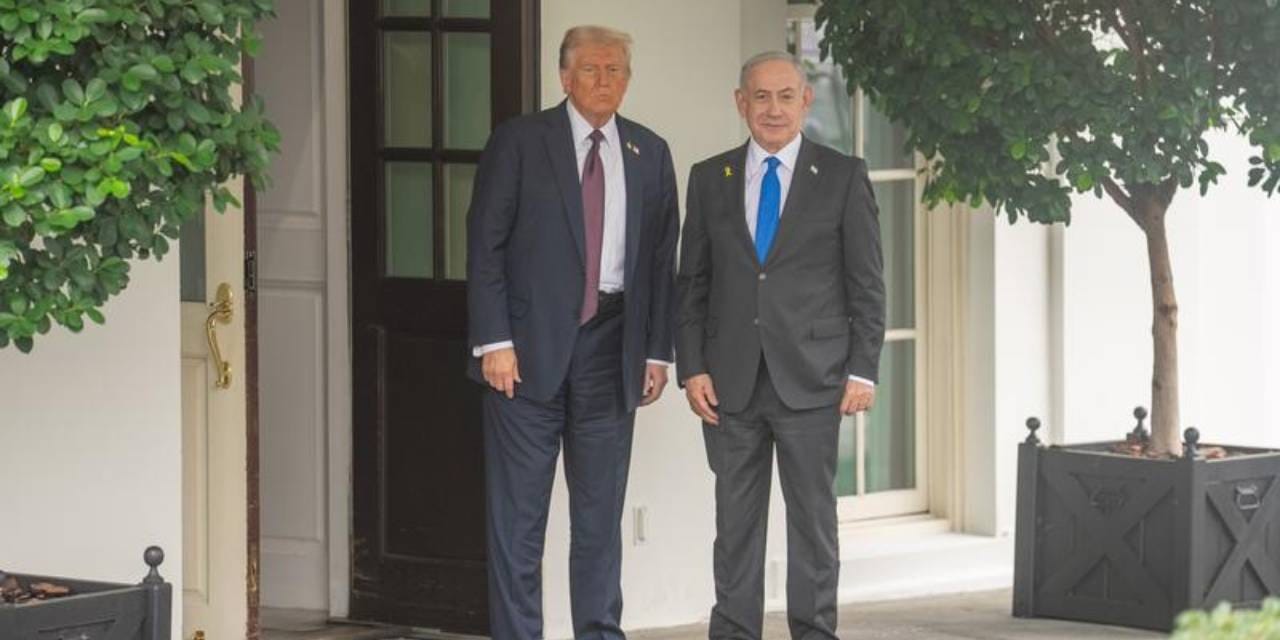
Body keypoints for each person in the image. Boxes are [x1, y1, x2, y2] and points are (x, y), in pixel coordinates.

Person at [465, 24, 679, 640]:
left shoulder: (649, 152)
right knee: (518, 522)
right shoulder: (519, 142)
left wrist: (657, 351)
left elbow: (661, 260)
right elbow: (485, 245)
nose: (604, 81)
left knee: (598, 522)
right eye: (590, 69)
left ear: (627, 81)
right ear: (564, 77)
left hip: (612, 351)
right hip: (524, 355)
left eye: (615, 70)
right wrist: (495, 342)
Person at [675, 51, 886, 640]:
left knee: (813, 525)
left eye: (785, 96)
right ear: (740, 102)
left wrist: (863, 370)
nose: (773, 109)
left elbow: (867, 283)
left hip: (814, 380)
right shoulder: (709, 178)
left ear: (805, 101)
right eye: (761, 97)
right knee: (734, 527)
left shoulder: (842, 176)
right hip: (729, 385)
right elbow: (692, 282)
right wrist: (692, 367)